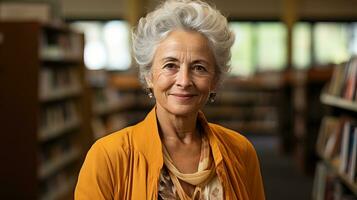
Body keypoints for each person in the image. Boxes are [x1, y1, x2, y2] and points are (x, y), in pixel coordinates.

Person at [75, 0, 265, 199]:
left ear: (214, 81)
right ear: (149, 75)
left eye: (199, 67)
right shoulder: (108, 156)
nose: (184, 81)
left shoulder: (241, 151)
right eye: (170, 65)